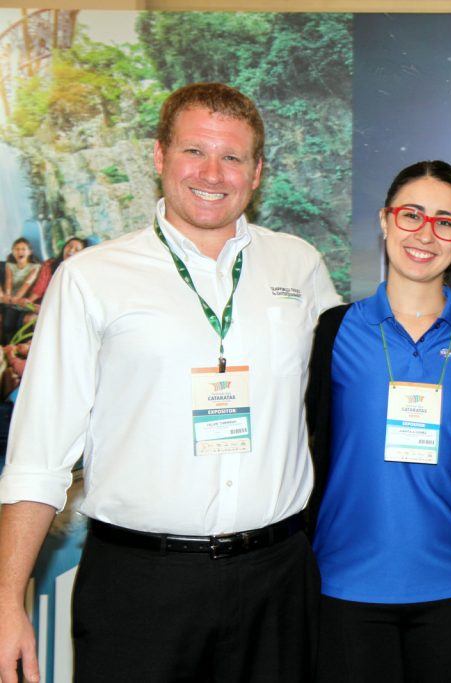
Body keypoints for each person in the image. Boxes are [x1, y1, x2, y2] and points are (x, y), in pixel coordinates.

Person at [0, 82, 340, 683]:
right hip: (140, 588)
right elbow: (38, 455)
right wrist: (7, 602)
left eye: (232, 157)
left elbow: (356, 362)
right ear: (159, 156)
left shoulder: (299, 264)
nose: (213, 173)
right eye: (193, 151)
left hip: (277, 581)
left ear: (257, 172)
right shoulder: (91, 278)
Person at [305, 160, 451, 683]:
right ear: (384, 220)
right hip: (344, 585)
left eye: (445, 221)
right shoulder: (332, 332)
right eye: (411, 214)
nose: (425, 233)